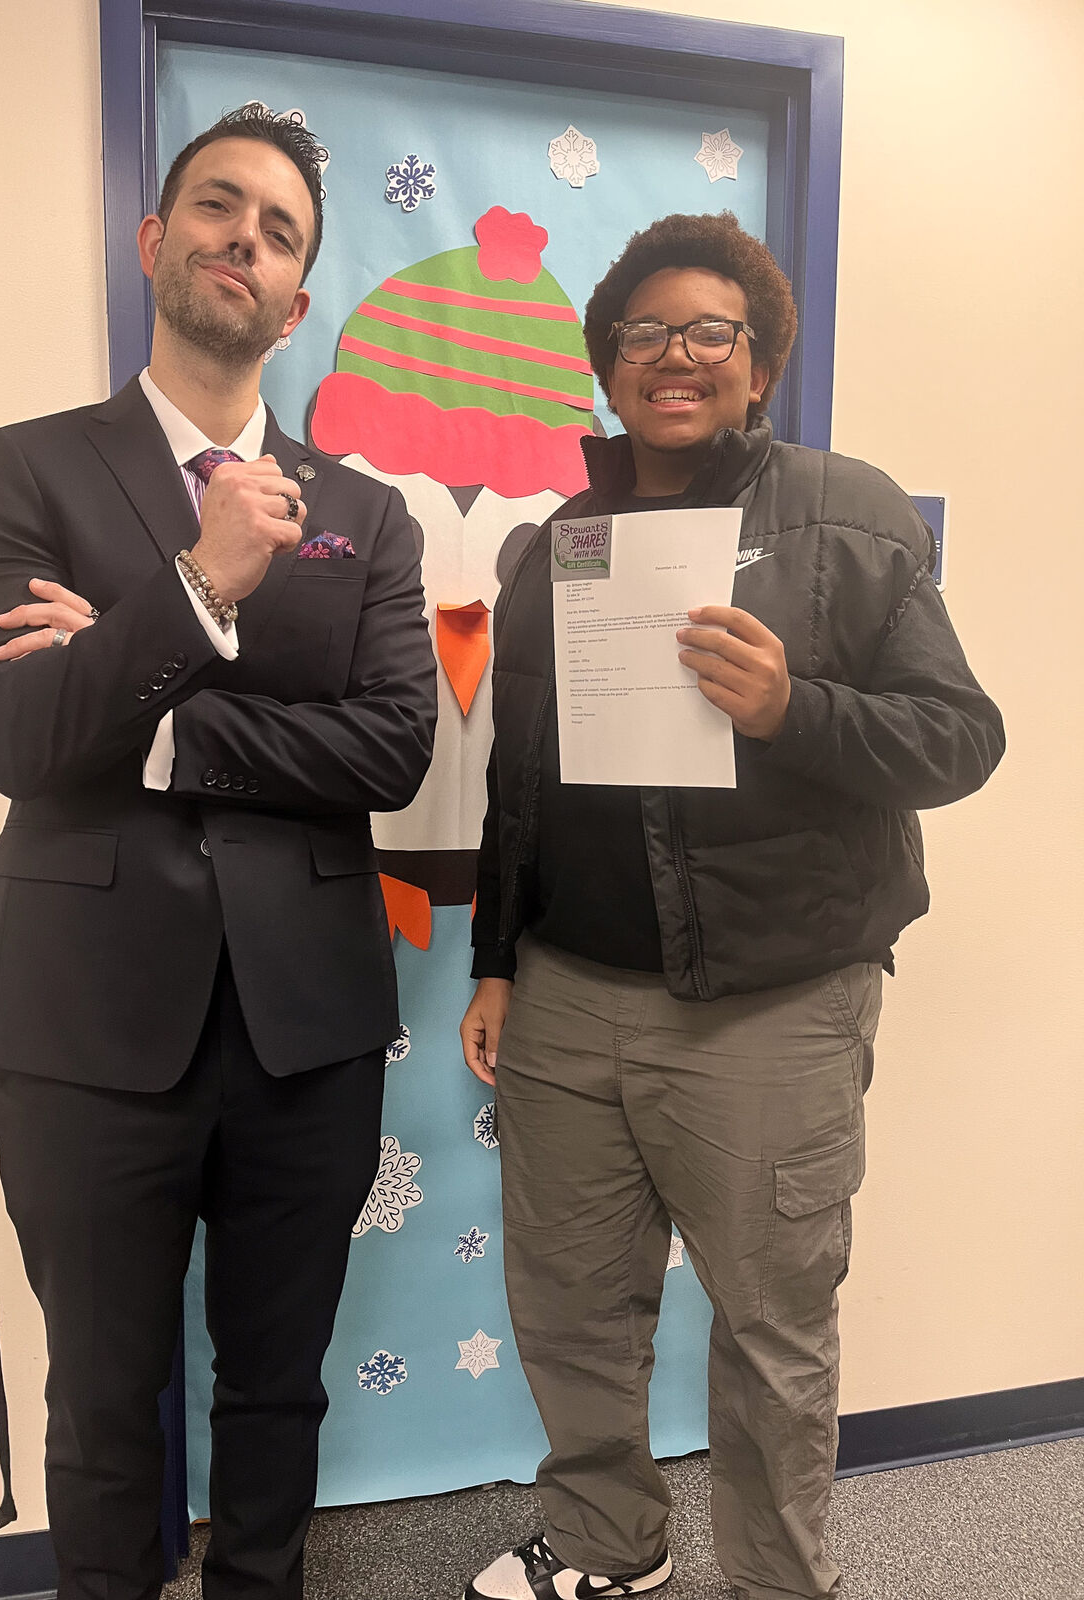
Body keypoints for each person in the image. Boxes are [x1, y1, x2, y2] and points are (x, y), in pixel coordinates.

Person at [459, 211, 1003, 1600]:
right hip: (570, 996)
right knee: (572, 1307)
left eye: (713, 331)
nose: (677, 355)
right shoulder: (557, 547)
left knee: (771, 1330)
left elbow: (959, 738)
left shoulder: (847, 512)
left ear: (757, 367)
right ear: (608, 368)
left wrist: (792, 708)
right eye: (645, 333)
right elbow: (518, 774)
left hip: (775, 1005)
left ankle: (774, 1585)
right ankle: (606, 1549)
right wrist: (497, 960)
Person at [0, 103, 436, 1600]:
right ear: (154, 241)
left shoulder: (367, 515)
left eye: (280, 230)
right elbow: (17, 739)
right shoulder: (24, 467)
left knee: (277, 1394)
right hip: (83, 1025)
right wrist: (200, 586)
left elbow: (391, 750)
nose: (246, 237)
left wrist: (156, 718)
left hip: (309, 1027)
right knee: (101, 1412)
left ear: (298, 301)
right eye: (219, 207)